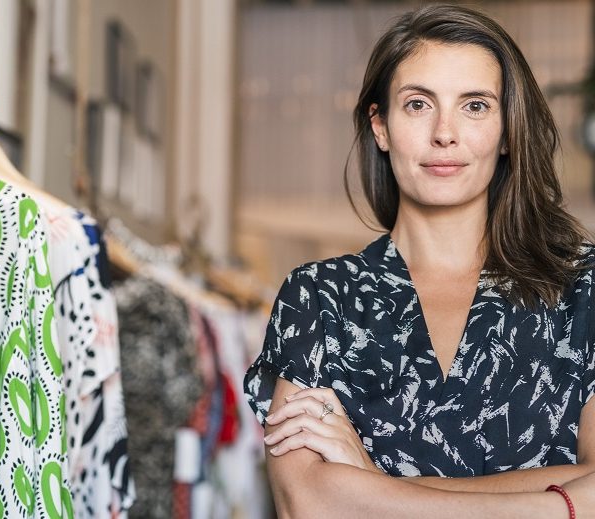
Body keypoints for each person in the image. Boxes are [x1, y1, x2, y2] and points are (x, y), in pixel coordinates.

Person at [244, 4, 595, 517]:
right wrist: (558, 497)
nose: (445, 134)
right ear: (380, 126)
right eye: (418, 104)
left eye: (475, 106)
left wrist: (368, 480)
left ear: (506, 131)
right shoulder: (318, 298)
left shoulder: (582, 287)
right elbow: (309, 503)